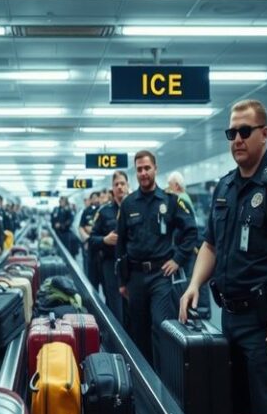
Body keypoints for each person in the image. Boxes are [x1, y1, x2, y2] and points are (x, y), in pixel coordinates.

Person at [179, 99, 267, 414]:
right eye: (232, 133)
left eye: (245, 131)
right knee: (234, 410)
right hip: (229, 318)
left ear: (264, 134)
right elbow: (210, 245)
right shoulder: (225, 187)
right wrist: (194, 284)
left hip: (266, 324)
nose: (238, 139)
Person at [116, 150, 199, 369]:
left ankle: (165, 379)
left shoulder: (170, 201)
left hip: (161, 276)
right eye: (139, 169)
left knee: (161, 326)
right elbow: (120, 243)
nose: (143, 173)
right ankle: (145, 378)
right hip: (135, 277)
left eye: (147, 168)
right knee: (138, 331)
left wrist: (178, 259)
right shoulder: (128, 204)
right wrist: (122, 282)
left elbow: (191, 231)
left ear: (155, 169)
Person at [89, 171, 129, 324]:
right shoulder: (104, 212)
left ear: (127, 185)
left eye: (122, 183)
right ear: (112, 188)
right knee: (115, 307)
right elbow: (92, 239)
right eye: (116, 184)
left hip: (131, 266)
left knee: (132, 309)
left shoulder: (135, 208)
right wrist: (104, 240)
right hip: (111, 264)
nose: (119, 187)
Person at [79, 191, 101, 288]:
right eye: (93, 198)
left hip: (101, 245)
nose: (95, 199)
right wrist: (87, 239)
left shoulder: (103, 210)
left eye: (97, 197)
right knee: (91, 275)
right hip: (90, 245)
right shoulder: (86, 211)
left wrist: (91, 229)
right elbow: (81, 226)